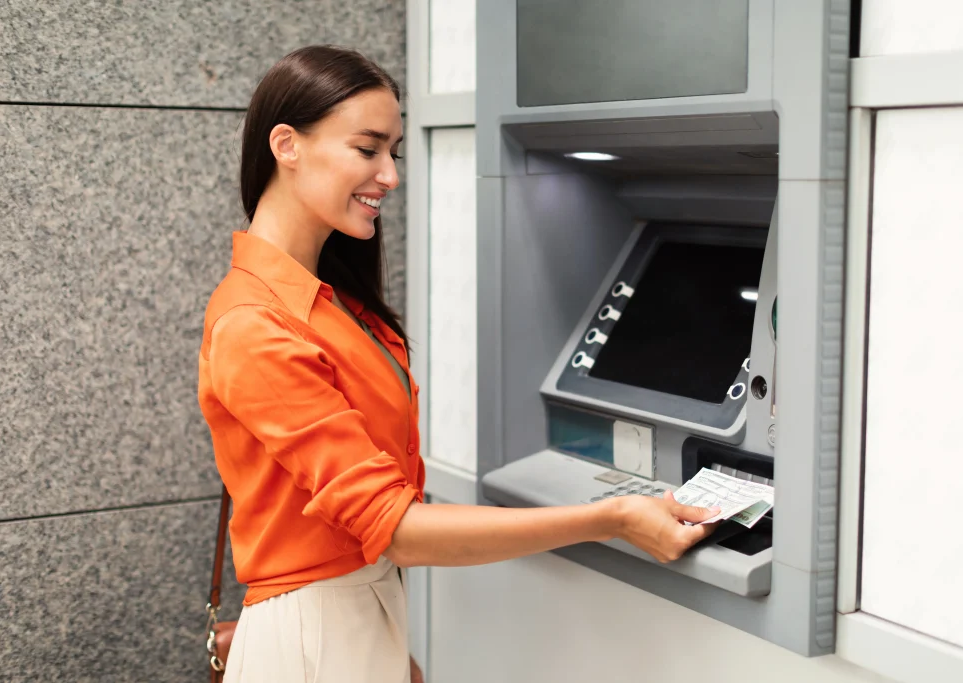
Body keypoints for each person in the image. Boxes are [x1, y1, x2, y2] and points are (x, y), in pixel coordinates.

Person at [197, 45, 719, 683]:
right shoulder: (256, 323)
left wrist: (391, 646)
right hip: (317, 637)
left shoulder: (330, 300)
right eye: (368, 149)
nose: (389, 175)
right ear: (287, 145)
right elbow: (395, 528)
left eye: (394, 152)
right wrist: (611, 516)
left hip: (356, 622)